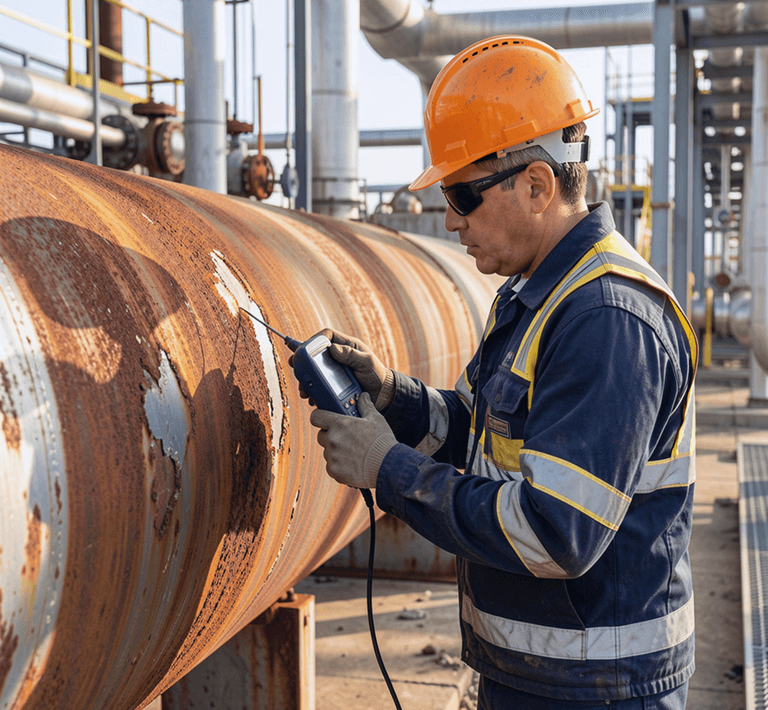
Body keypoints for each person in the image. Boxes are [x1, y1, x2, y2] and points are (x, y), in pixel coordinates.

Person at [306, 35, 697, 709]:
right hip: (540, 675)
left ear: (538, 184)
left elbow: (553, 533)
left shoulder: (606, 318)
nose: (450, 219)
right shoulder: (530, 296)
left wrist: (385, 471)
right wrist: (391, 395)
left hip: (596, 688)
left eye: (463, 193)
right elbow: (479, 435)